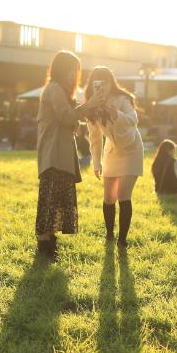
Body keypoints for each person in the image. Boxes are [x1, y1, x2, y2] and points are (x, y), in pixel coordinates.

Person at [36, 50, 105, 258]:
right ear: (61, 69)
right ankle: (44, 244)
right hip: (54, 153)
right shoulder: (55, 89)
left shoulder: (61, 90)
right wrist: (89, 105)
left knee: (56, 198)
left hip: (60, 153)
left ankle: (50, 240)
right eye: (72, 70)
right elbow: (66, 117)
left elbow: (71, 119)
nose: (74, 74)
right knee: (50, 198)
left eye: (76, 70)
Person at [86, 66, 144, 248]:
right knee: (109, 197)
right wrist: (97, 163)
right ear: (93, 85)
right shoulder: (91, 107)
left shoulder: (122, 99)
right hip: (111, 151)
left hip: (132, 149)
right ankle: (109, 235)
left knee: (123, 194)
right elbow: (95, 138)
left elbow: (133, 119)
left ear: (112, 83)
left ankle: (122, 240)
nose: (103, 87)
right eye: (98, 83)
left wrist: (115, 113)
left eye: (106, 82)